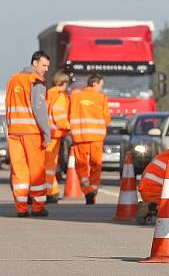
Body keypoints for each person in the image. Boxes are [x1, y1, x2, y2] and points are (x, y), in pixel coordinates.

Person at [6, 51, 51, 217]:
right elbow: (40, 109)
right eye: (43, 65)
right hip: (32, 132)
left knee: (19, 171)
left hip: (14, 132)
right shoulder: (35, 81)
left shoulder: (13, 80)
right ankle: (38, 207)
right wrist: (47, 133)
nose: (45, 69)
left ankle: (21, 208)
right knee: (37, 171)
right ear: (34, 64)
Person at [69, 73, 111, 205]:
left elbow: (68, 114)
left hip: (80, 137)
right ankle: (93, 189)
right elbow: (107, 119)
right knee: (96, 165)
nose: (101, 89)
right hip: (97, 138)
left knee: (81, 165)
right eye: (100, 85)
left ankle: (87, 190)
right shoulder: (101, 98)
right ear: (94, 84)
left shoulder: (75, 97)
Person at [44, 71, 70, 203]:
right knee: (50, 165)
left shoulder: (49, 93)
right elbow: (59, 114)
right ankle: (50, 192)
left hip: (47, 133)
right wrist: (68, 125)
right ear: (63, 83)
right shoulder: (60, 96)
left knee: (48, 164)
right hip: (55, 134)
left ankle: (52, 191)